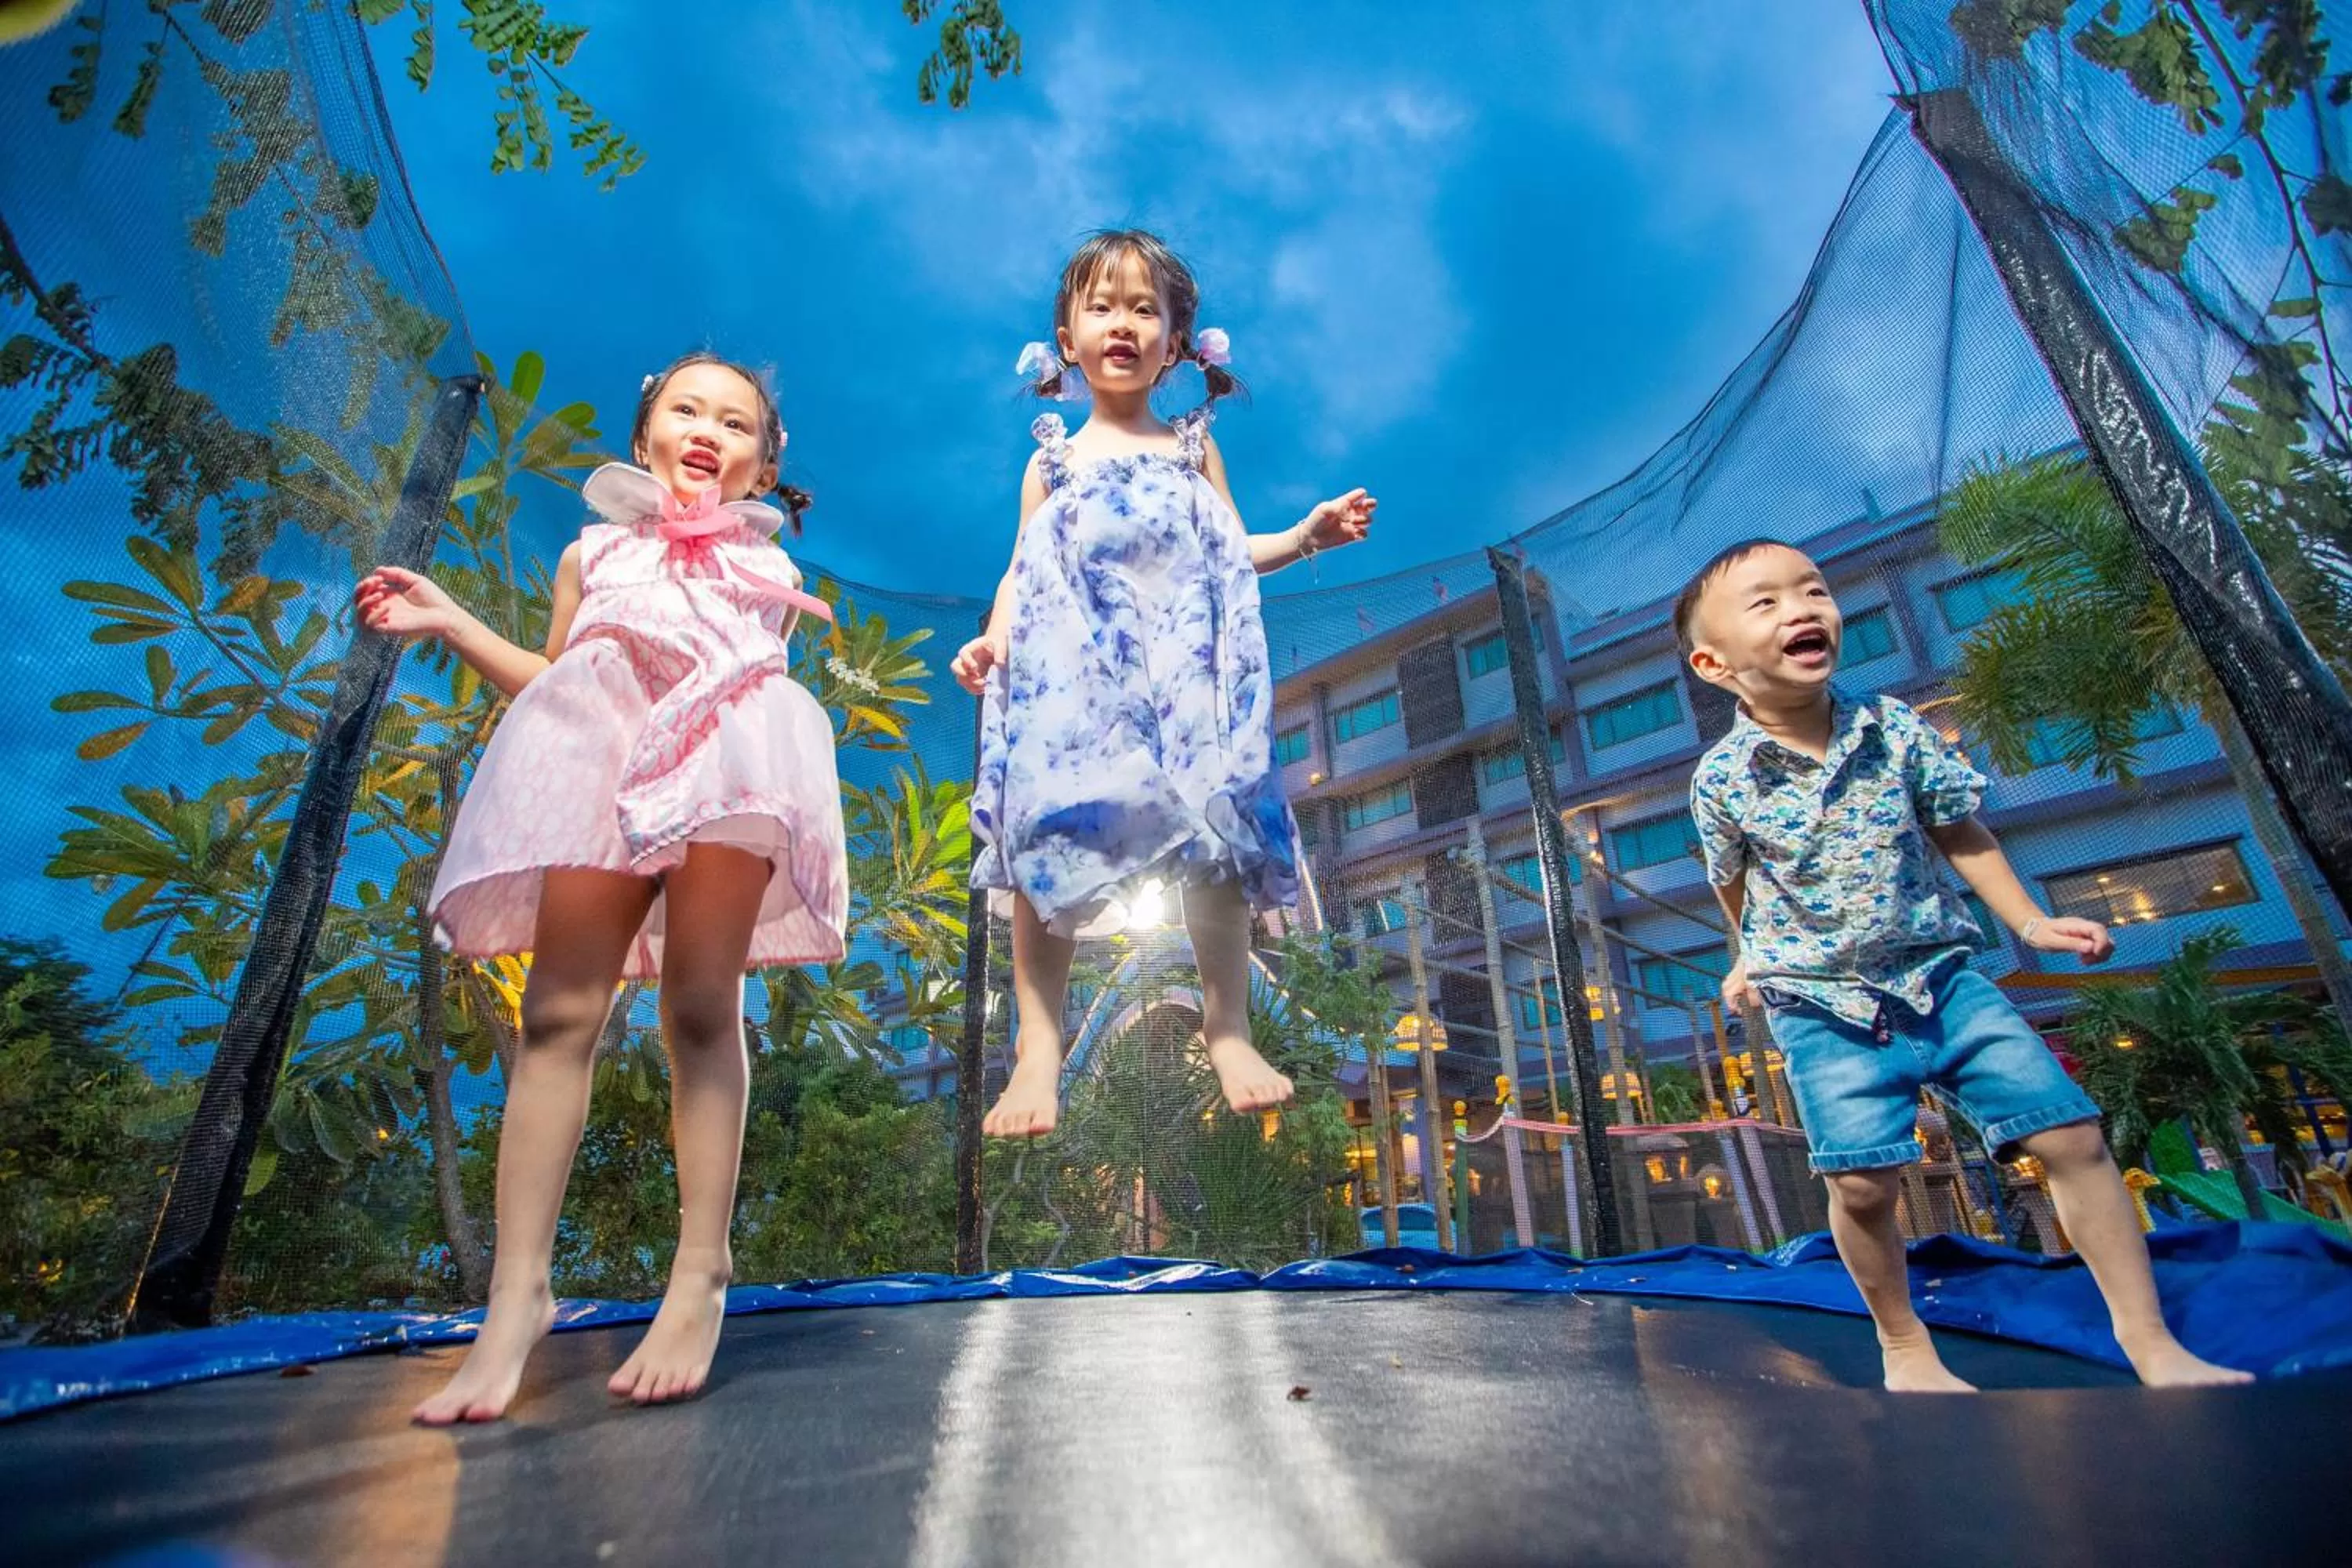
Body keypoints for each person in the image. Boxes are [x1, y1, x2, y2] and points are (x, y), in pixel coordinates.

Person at [356, 351, 846, 1423]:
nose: (708, 427)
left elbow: (740, 683)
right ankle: (516, 1296)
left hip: (727, 771)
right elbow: (564, 681)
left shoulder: (769, 573)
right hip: (600, 764)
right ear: (645, 439)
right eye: (686, 409)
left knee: (701, 1007)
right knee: (560, 1010)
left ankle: (699, 1271)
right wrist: (452, 622)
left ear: (761, 465)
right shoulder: (593, 553)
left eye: (735, 421)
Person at [1679, 537, 2249, 1391]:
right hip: (1823, 1004)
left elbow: (1960, 829)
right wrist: (1748, 956)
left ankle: (2147, 1336)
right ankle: (1905, 1345)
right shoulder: (1721, 778)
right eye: (1766, 602)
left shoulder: (1894, 726)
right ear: (1713, 662)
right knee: (1865, 1186)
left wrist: (2030, 918)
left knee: (2072, 1134)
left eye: (1815, 590)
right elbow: (1735, 879)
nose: (1803, 608)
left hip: (1944, 978)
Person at [951, 230, 1374, 1138]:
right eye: (1104, 305)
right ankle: (1037, 1044)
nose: (1124, 323)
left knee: (1213, 837)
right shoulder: (1053, 461)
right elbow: (1020, 575)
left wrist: (1305, 535)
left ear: (1177, 346)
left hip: (1182, 684)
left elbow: (1232, 547)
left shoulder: (1191, 451)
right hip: (1075, 690)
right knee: (1042, 838)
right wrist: (992, 642)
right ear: (1068, 336)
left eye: (1147, 309)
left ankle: (1227, 1027)